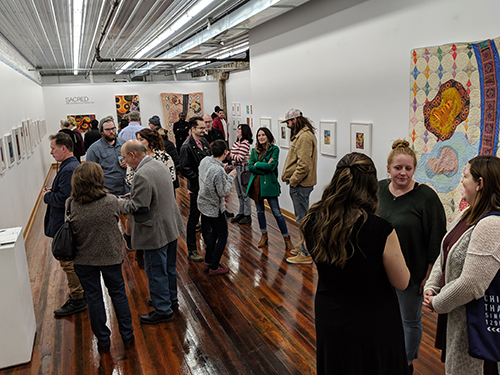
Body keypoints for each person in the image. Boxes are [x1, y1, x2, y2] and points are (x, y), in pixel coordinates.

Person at [301, 152, 410, 375]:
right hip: (373, 319)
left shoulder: (311, 221)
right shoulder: (380, 229)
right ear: (372, 186)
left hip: (331, 314)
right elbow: (402, 281)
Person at [423, 155, 500, 374]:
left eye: (465, 176)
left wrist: (437, 303)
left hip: (475, 327)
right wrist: (431, 285)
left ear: (480, 183)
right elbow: (446, 250)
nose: (462, 181)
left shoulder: (492, 225)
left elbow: (471, 285)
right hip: (457, 318)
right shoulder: (468, 213)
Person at [377, 139, 446, 373]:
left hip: (411, 275)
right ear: (388, 168)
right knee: (383, 318)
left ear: (414, 169)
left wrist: (429, 276)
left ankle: (404, 364)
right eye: (398, 168)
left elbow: (437, 239)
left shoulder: (426, 198)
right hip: (379, 273)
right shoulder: (377, 190)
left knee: (409, 321)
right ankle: (385, 358)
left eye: (408, 168)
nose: (403, 173)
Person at [69, 162, 134, 353]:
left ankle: (103, 341)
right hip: (111, 256)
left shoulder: (71, 204)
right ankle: (127, 335)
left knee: (94, 298)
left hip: (83, 258)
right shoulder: (111, 201)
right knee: (118, 294)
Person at [119, 140, 184, 324]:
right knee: (169, 268)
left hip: (155, 231)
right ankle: (170, 298)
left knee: (156, 271)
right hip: (170, 225)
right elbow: (156, 193)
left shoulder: (141, 174)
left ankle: (162, 309)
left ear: (132, 154)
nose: (124, 162)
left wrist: (119, 204)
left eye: (124, 158)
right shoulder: (158, 164)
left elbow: (139, 207)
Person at [43, 132, 86, 316]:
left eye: (53, 149)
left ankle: (78, 298)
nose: (51, 153)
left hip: (64, 223)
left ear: (63, 148)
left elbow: (65, 199)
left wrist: (47, 195)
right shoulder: (69, 165)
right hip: (64, 222)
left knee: (67, 262)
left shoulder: (68, 169)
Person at [247, 127, 294, 251]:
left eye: (263, 135)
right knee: (260, 211)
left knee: (277, 213)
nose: (261, 137)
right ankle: (264, 235)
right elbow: (250, 167)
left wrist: (259, 165)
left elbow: (272, 167)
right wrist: (264, 165)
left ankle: (287, 238)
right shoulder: (254, 150)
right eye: (259, 135)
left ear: (268, 136)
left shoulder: (274, 149)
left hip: (270, 184)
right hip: (257, 185)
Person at [281, 108, 317, 265]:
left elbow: (304, 165)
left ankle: (306, 252)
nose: (287, 125)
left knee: (302, 219)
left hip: (301, 185)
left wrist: (294, 181)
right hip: (300, 184)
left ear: (295, 120)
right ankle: (303, 247)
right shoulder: (303, 135)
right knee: (302, 218)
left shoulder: (304, 137)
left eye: (288, 122)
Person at [198, 140, 237, 275]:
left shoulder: (205, 161)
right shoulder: (218, 170)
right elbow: (223, 192)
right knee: (222, 234)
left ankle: (209, 260)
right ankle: (214, 266)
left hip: (203, 204)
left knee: (212, 234)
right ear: (225, 152)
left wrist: (223, 173)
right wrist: (231, 177)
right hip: (214, 207)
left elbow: (210, 179)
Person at [180, 116, 211, 262]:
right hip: (196, 188)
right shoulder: (186, 146)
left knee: (206, 217)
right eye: (201, 128)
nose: (204, 130)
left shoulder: (204, 142)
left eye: (204, 127)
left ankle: (207, 242)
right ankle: (192, 249)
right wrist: (200, 179)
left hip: (206, 188)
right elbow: (185, 169)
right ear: (193, 129)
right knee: (193, 219)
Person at [86, 117, 129, 196]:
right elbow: (90, 174)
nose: (111, 132)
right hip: (108, 192)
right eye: (107, 130)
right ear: (101, 132)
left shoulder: (124, 144)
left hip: (126, 188)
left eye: (113, 128)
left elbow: (134, 162)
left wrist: (128, 163)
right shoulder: (94, 149)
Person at [230, 124, 253, 224]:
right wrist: (233, 156)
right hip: (236, 168)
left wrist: (231, 155)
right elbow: (236, 156)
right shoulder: (237, 142)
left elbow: (240, 158)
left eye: (239, 129)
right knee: (239, 193)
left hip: (243, 170)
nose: (237, 131)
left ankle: (247, 215)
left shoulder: (245, 143)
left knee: (245, 193)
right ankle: (241, 212)